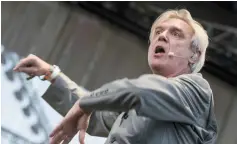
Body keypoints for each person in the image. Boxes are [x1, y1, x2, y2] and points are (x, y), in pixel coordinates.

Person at [14, 9, 218, 144]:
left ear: (195, 54)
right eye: (158, 31)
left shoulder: (196, 91)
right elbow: (95, 116)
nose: (162, 36)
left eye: (175, 33)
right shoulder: (138, 104)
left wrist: (87, 103)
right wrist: (51, 74)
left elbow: (136, 91)